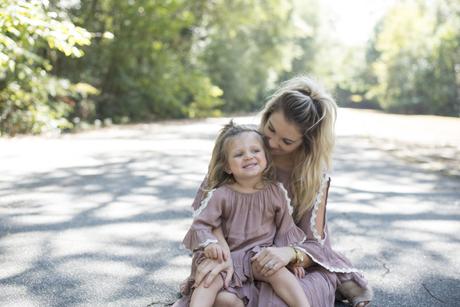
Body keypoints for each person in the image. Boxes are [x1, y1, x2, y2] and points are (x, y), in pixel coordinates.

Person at [188, 76, 373, 307]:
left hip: (278, 257)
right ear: (266, 116)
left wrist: (289, 254)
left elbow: (311, 242)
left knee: (282, 296)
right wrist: (222, 251)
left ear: (306, 143)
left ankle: (336, 279)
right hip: (228, 247)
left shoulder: (311, 176)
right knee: (217, 291)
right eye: (270, 130)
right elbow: (206, 213)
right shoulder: (244, 148)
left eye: (286, 141)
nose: (272, 143)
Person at [173, 121, 310, 307]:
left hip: (258, 255)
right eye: (239, 154)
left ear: (266, 158)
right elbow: (201, 224)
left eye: (255, 151)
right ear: (228, 167)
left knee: (279, 272)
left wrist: (289, 258)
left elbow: (285, 228)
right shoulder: (220, 194)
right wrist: (211, 244)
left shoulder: (276, 192)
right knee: (207, 282)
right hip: (225, 256)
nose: (248, 157)